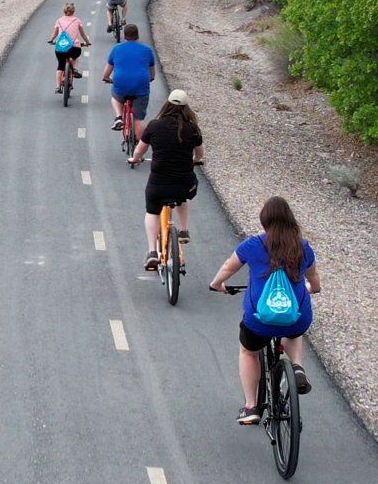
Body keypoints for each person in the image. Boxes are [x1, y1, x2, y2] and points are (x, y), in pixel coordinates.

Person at [209, 197, 322, 425]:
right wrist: (312, 288)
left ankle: (251, 406)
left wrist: (217, 284)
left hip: (259, 321)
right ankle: (297, 367)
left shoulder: (253, 245)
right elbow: (314, 281)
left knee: (249, 352)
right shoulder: (304, 248)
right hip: (295, 318)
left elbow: (228, 267)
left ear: (264, 221)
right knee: (293, 327)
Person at [128, 89, 203, 271]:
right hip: (184, 183)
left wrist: (135, 158)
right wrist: (195, 160)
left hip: (158, 185)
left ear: (167, 105)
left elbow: (140, 150)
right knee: (183, 197)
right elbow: (199, 154)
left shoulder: (154, 126)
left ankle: (152, 252)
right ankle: (183, 230)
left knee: (152, 212)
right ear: (186, 108)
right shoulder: (192, 128)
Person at [101, 24, 156, 138]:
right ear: (138, 36)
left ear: (124, 36)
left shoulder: (116, 49)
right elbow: (152, 73)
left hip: (121, 84)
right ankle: (138, 152)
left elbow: (107, 71)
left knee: (115, 97)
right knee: (138, 119)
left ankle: (118, 117)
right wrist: (150, 79)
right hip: (141, 85)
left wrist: (107, 78)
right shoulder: (147, 50)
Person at [46, 2, 91, 94]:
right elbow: (83, 34)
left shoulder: (59, 21)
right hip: (74, 48)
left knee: (60, 65)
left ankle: (58, 87)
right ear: (73, 11)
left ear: (64, 11)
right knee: (75, 56)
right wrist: (87, 42)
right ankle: (73, 68)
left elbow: (54, 34)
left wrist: (51, 40)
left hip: (60, 48)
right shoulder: (77, 21)